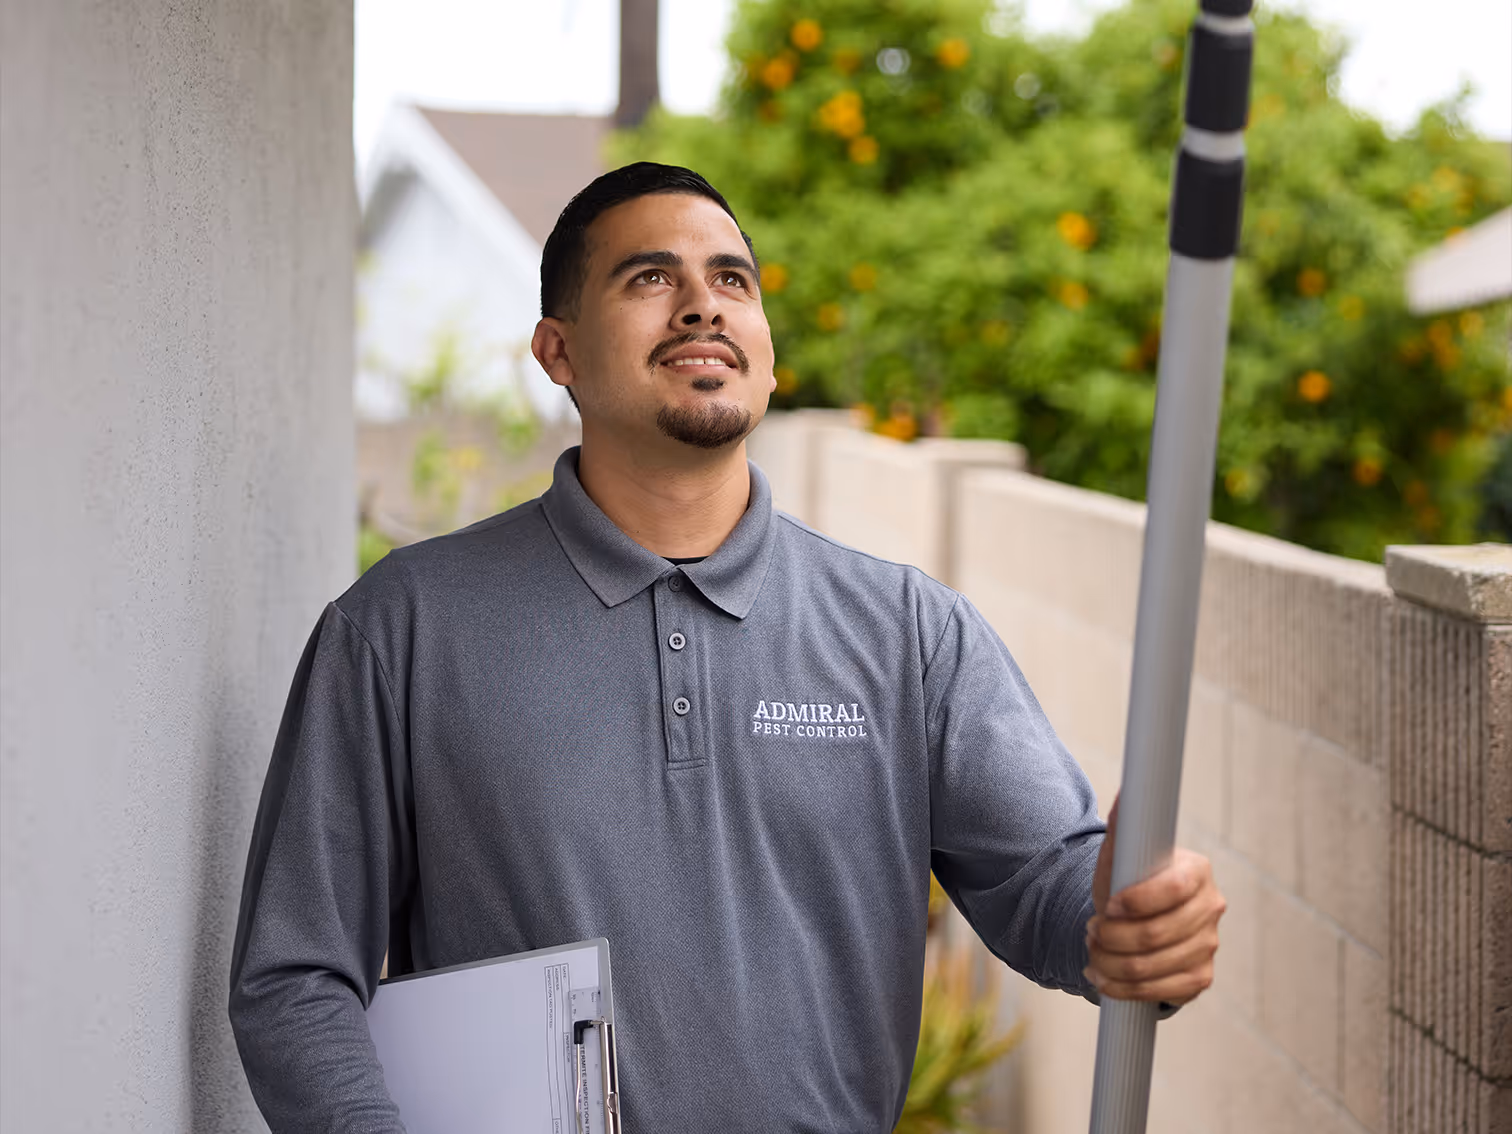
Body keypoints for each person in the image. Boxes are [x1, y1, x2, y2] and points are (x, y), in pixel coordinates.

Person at [229, 162, 1225, 1132]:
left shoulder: (907, 634)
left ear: (768, 351)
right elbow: (296, 979)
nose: (702, 305)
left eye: (732, 281)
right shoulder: (401, 630)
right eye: (651, 277)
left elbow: (1046, 894)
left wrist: (1126, 933)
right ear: (557, 350)